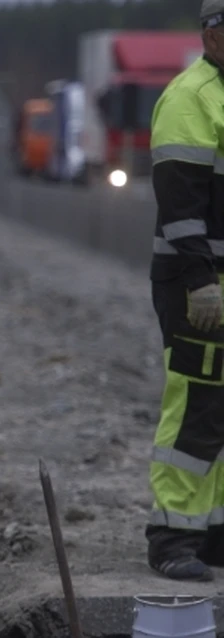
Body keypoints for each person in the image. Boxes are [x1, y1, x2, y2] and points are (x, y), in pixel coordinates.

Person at [145, 0, 224, 582]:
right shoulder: (190, 97)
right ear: (209, 33)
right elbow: (181, 201)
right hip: (199, 285)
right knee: (196, 407)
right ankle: (172, 539)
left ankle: (212, 537)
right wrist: (202, 282)